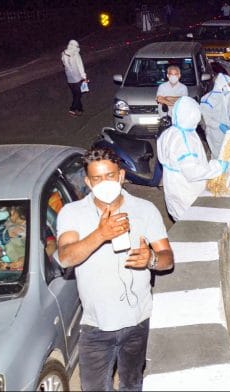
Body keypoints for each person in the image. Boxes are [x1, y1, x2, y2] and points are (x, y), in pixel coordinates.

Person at [56, 146, 173, 391]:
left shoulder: (145, 210)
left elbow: (167, 259)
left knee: (132, 384)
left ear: (121, 176)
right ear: (88, 182)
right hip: (95, 325)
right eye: (97, 178)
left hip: (137, 321)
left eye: (110, 176)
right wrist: (100, 234)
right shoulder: (71, 213)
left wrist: (151, 259)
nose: (104, 183)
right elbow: (66, 257)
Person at [158, 96, 230, 221]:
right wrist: (217, 167)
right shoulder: (184, 140)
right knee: (189, 223)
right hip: (186, 191)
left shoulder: (170, 132)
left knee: (179, 220)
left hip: (173, 186)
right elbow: (192, 172)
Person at [200, 73, 230, 158]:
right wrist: (219, 125)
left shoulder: (229, 95)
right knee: (219, 156)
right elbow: (205, 118)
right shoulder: (208, 99)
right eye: (229, 84)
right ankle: (219, 171)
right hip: (215, 133)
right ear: (221, 83)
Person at [61, 40, 88, 116]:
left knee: (75, 95)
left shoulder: (63, 54)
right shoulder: (76, 54)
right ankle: (72, 109)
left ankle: (80, 109)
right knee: (78, 95)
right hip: (77, 79)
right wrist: (84, 77)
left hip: (69, 80)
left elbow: (65, 65)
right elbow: (80, 67)